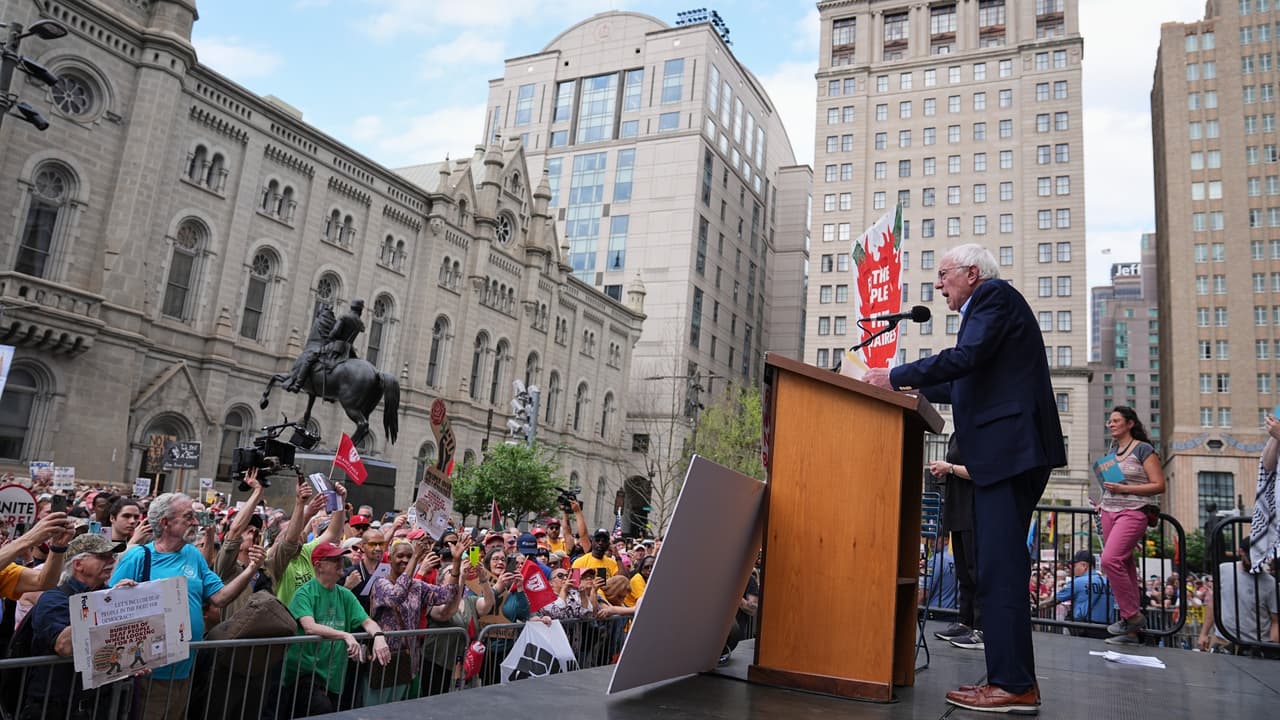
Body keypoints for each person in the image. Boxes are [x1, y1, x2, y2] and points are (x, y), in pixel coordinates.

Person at [864, 243, 1065, 715]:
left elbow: (966, 358)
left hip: (1009, 454)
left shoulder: (993, 298)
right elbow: (961, 381)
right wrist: (901, 382)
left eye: (943, 274)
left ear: (972, 273)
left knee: (998, 570)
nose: (938, 286)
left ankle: (1013, 684)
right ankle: (1012, 680)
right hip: (1007, 454)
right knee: (996, 569)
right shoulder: (991, 309)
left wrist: (893, 376)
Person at [110, 492, 265, 720]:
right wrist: (119, 593)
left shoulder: (193, 554)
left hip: (184, 670)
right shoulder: (138, 557)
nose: (195, 522)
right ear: (165, 523)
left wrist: (252, 569)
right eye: (188, 516)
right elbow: (109, 607)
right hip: (148, 675)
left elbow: (220, 597)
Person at [21, 534, 129, 720]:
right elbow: (64, 646)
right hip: (53, 706)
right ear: (78, 565)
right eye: (103, 556)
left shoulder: (106, 595)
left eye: (112, 556)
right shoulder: (53, 599)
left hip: (93, 704)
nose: (112, 561)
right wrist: (105, 605)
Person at [281, 541, 391, 718]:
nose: (341, 561)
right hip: (305, 672)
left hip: (334, 675)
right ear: (319, 566)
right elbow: (309, 626)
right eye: (334, 559)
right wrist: (345, 635)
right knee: (320, 709)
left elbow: (367, 622)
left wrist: (379, 636)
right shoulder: (305, 593)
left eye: (340, 557)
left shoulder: (345, 594)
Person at [365, 536, 470, 705]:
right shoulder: (380, 583)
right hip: (386, 662)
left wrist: (456, 562)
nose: (405, 559)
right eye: (400, 556)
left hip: (409, 662)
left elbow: (448, 595)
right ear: (390, 559)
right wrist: (415, 559)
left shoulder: (417, 586)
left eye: (409, 555)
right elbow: (395, 597)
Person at [1097, 406, 1166, 645]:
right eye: (1109, 421)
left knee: (1109, 560)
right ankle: (1131, 631)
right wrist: (1101, 501)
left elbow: (1159, 485)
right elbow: (1110, 485)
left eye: (1116, 420)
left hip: (1133, 512)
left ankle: (1132, 617)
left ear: (1130, 424)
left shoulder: (1144, 449)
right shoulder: (1112, 451)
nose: (1110, 424)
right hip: (1108, 510)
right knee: (1124, 564)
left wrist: (1124, 489)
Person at [929, 439, 981, 647]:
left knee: (974, 570)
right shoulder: (956, 435)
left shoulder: (977, 432)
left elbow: (979, 470)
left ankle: (980, 627)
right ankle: (965, 622)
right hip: (956, 509)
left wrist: (949, 467)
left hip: (972, 511)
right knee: (963, 572)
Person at [1198, 536, 1279, 655]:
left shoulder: (1270, 583)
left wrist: (1271, 649)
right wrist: (1204, 633)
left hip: (1255, 647)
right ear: (1241, 552)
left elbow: (1275, 621)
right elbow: (1214, 603)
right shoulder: (1224, 570)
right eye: (1252, 559)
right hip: (1223, 641)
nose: (1256, 563)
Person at [1037, 550, 1114, 638]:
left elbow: (1053, 601)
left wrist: (1036, 607)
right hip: (1107, 629)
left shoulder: (1078, 582)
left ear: (1084, 566)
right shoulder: (1108, 582)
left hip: (1085, 628)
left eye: (1074, 566)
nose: (1072, 569)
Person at [0, 512, 75, 600]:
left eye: (1, 526)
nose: (1, 534)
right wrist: (28, 539)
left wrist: (58, 547)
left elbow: (44, 583)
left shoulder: (4, 568)